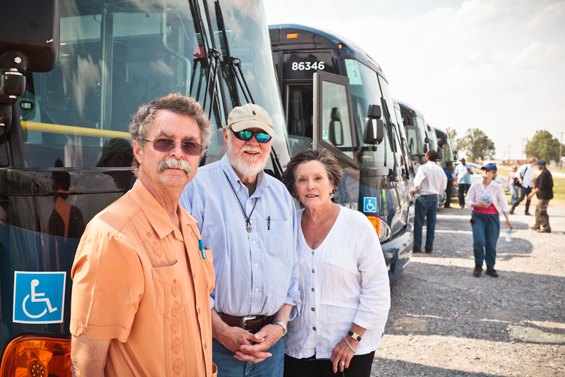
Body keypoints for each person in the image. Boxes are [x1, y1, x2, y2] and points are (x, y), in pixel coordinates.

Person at [70, 94, 217, 376]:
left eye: (190, 145)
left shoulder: (188, 225)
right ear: (138, 151)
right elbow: (86, 365)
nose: (177, 153)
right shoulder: (112, 236)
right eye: (164, 142)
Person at [180, 104, 300, 377]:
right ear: (225, 135)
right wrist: (221, 331)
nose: (253, 143)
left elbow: (293, 269)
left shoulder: (281, 195)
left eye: (263, 136)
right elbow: (185, 273)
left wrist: (279, 326)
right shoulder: (196, 187)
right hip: (214, 344)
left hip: (269, 347)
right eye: (244, 132)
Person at [281, 149, 390, 377]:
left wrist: (353, 338)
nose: (311, 186)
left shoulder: (357, 225)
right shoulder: (287, 226)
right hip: (298, 349)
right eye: (302, 180)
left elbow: (377, 289)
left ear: (332, 183)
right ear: (294, 187)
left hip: (348, 352)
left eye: (318, 178)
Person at [466, 163, 513, 278]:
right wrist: (477, 204)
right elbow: (468, 200)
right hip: (478, 217)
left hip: (492, 218)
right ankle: (478, 265)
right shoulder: (475, 185)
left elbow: (503, 202)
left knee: (491, 244)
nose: (485, 172)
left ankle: (490, 267)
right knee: (478, 241)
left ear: (494, 174)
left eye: (488, 170)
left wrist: (507, 219)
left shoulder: (497, 186)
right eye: (483, 170)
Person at [412, 149, 447, 254]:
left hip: (423, 197)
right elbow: (443, 186)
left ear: (427, 157)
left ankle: (417, 246)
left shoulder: (423, 168)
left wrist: (415, 191)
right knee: (431, 223)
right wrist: (436, 191)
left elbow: (417, 184)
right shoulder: (440, 169)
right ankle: (429, 247)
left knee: (419, 223)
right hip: (434, 198)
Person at [527, 160, 553, 233]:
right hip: (543, 195)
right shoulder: (545, 173)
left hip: (545, 196)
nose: (537, 166)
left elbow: (540, 187)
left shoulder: (545, 173)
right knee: (538, 210)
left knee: (542, 211)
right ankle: (536, 225)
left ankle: (546, 228)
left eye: (538, 165)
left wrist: (531, 193)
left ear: (541, 166)